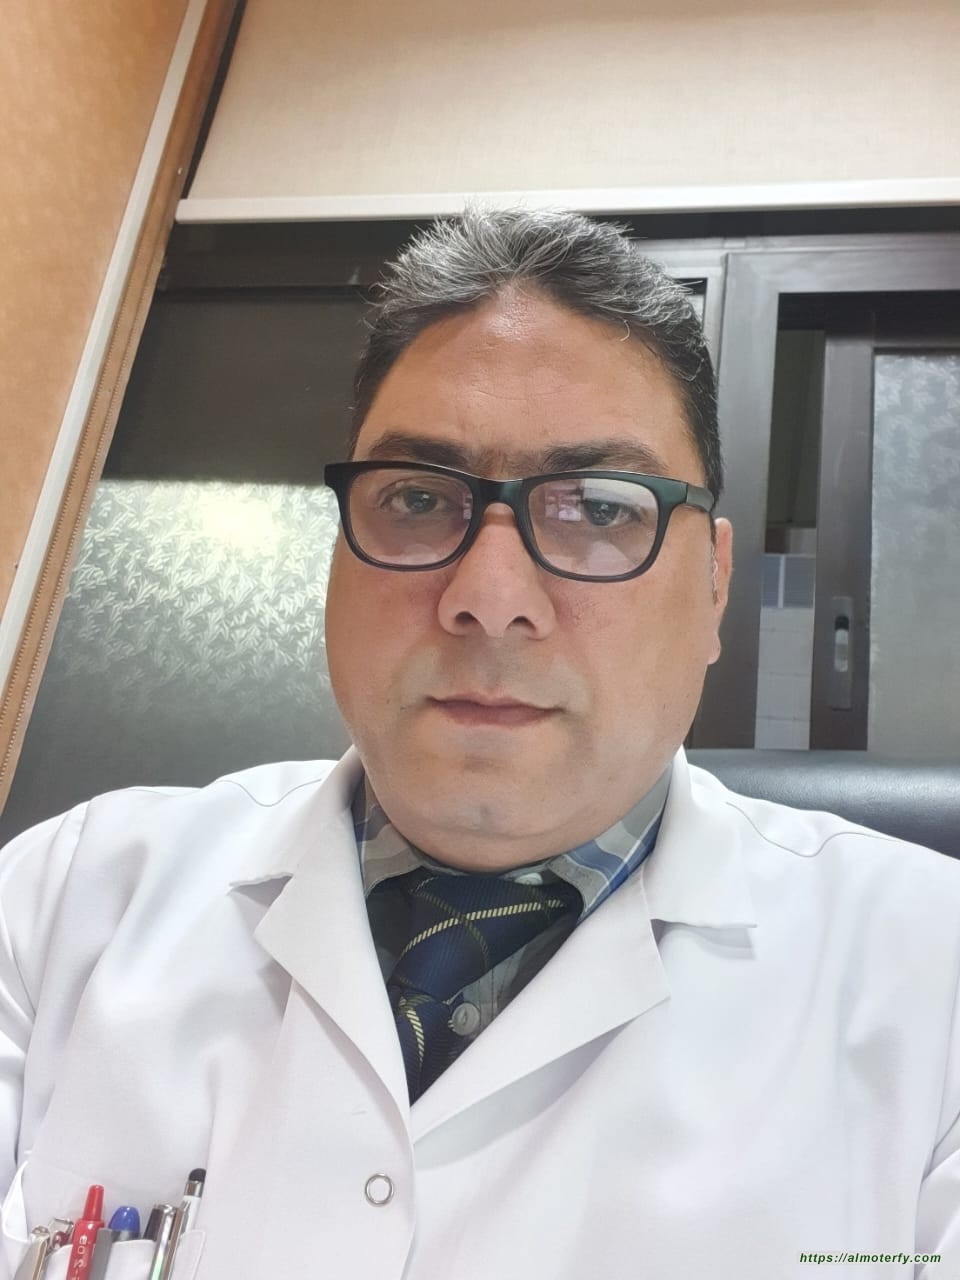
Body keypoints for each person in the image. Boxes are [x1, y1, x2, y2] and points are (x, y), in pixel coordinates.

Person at [0, 208, 957, 1280]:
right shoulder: (60, 902)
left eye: (600, 507)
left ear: (715, 584)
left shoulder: (935, 985)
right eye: (417, 498)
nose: (490, 598)